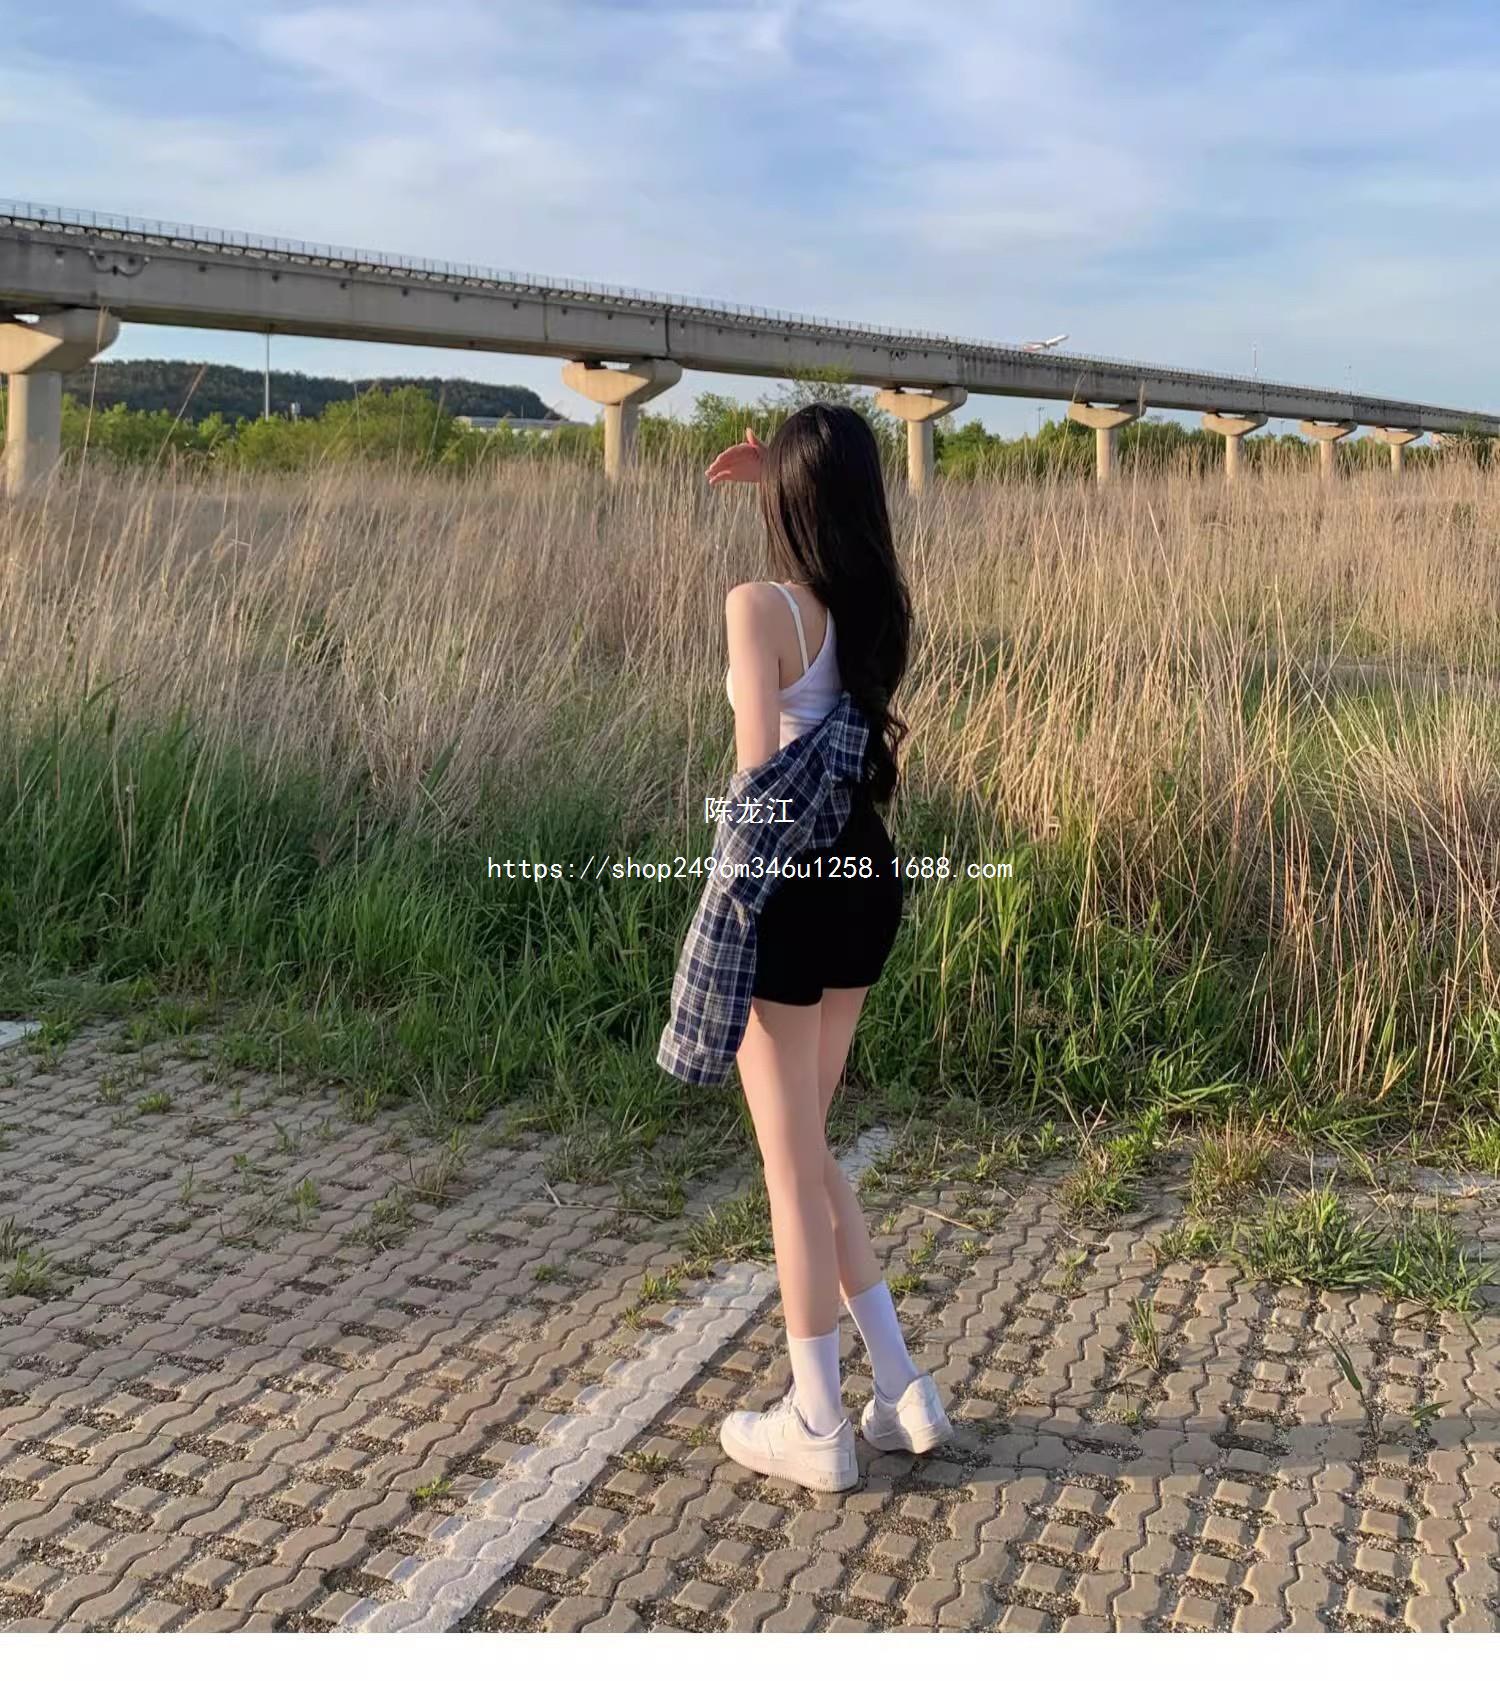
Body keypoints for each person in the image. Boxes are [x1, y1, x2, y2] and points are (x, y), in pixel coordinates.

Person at [657, 404, 952, 1493]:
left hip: (790, 887)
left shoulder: (756, 606)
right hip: (865, 875)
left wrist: (724, 916)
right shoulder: (875, 603)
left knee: (789, 1168)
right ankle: (902, 1387)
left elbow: (756, 784)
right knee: (812, 1148)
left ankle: (818, 1420)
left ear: (788, 498)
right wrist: (781, 475)